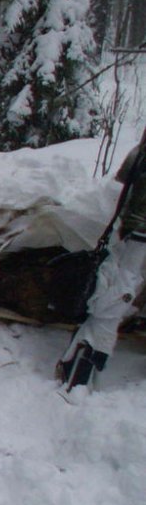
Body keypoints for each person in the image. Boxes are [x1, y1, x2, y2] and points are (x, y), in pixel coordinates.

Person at [57, 136, 146, 389]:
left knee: (118, 284)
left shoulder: (139, 151)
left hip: (128, 228)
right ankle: (85, 361)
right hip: (135, 232)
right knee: (121, 286)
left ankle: (87, 353)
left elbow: (122, 181)